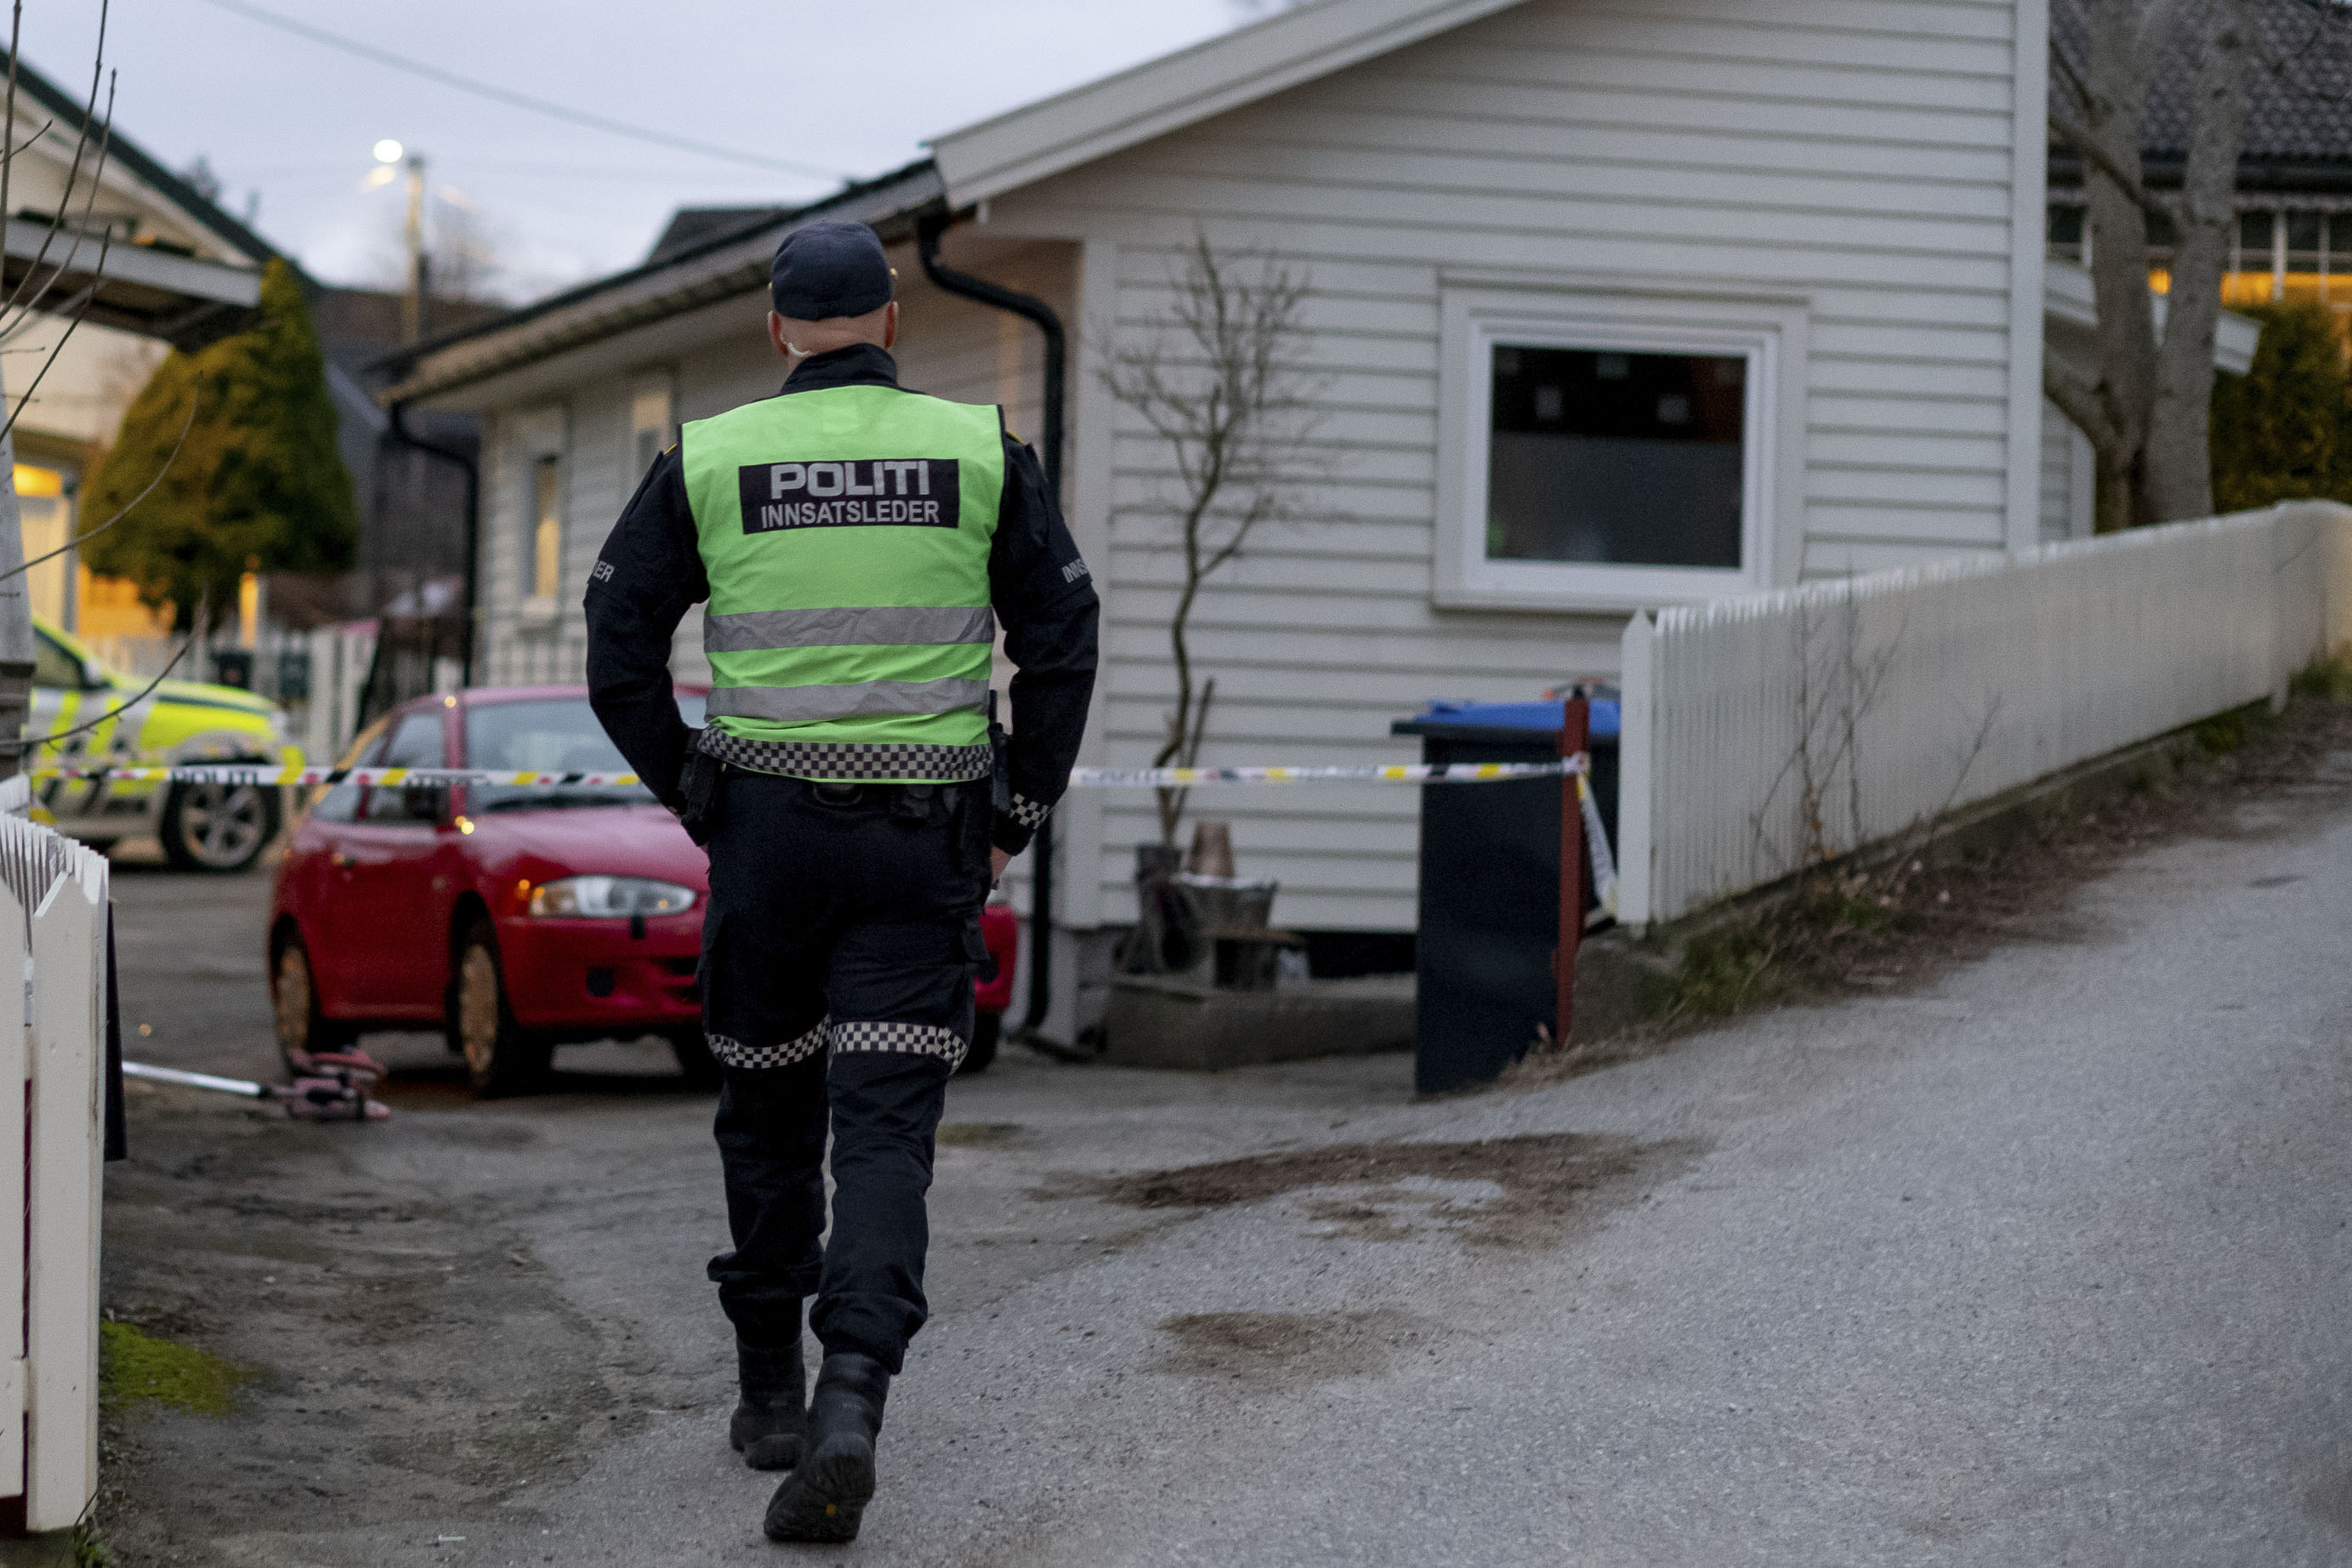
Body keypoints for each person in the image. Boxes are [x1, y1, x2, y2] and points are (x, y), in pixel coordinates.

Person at [583, 219, 1098, 1544]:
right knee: (881, 1130)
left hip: (767, 835)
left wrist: (691, 786)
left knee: (765, 1112)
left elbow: (617, 639)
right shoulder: (979, 450)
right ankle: (852, 1399)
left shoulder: (711, 456)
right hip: (921, 837)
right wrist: (1017, 811)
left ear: (773, 329)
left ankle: (768, 1394)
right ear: (891, 324)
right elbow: (1061, 637)